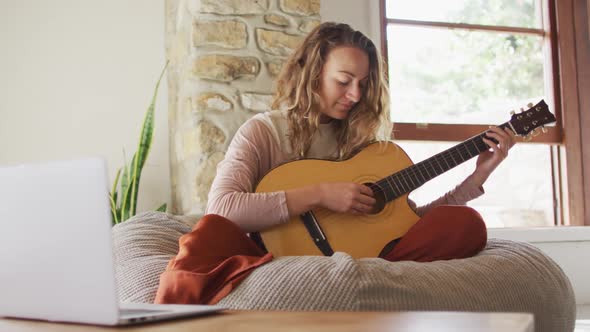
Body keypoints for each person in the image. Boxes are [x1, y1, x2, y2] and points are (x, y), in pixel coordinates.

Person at [155, 22, 516, 305]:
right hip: (274, 255)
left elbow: (407, 224)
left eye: (363, 83)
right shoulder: (263, 132)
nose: (355, 95)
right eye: (343, 81)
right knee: (204, 238)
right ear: (312, 74)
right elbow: (222, 209)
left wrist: (477, 176)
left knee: (465, 224)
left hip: (371, 257)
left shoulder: (369, 147)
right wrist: (319, 195)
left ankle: (364, 278)